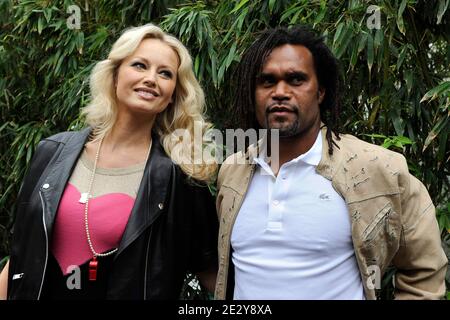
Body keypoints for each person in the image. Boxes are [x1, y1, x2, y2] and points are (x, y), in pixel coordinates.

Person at [214, 25, 447, 300]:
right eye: (267, 81)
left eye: (296, 80)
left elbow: (424, 270)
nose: (280, 92)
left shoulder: (376, 169)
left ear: (321, 91)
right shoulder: (233, 172)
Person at [0, 24, 218, 300]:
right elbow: (23, 253)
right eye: (139, 65)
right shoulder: (51, 151)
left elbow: (211, 271)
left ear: (173, 93)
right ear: (115, 76)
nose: (151, 79)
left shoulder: (180, 176)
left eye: (165, 73)